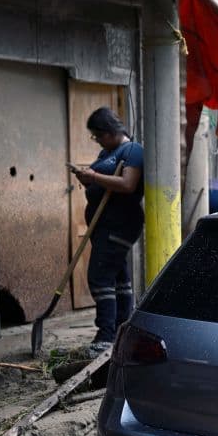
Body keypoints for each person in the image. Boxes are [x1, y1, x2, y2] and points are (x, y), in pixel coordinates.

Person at [70, 107, 144, 355]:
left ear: (110, 131)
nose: (97, 140)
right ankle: (124, 328)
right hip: (104, 226)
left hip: (119, 224)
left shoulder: (133, 150)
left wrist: (94, 177)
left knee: (100, 278)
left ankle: (106, 336)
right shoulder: (107, 152)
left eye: (98, 135)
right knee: (119, 279)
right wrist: (86, 178)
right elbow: (98, 180)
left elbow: (127, 184)